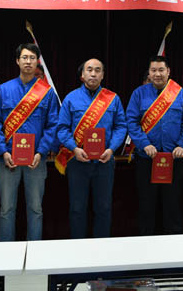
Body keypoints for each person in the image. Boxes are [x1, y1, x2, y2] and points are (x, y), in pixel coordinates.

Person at [0, 43, 59, 241]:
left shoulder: (47, 92)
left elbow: (53, 125)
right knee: (6, 209)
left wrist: (41, 152)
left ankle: (34, 250)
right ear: (17, 61)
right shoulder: (3, 90)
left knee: (36, 208)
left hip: (36, 159)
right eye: (25, 57)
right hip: (7, 158)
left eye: (32, 58)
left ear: (37, 62)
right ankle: (6, 252)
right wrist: (3, 151)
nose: (28, 61)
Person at [56, 58, 127, 238]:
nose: (93, 73)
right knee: (77, 208)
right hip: (77, 161)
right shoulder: (71, 98)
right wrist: (74, 148)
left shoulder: (113, 99)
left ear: (102, 75)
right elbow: (62, 129)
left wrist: (111, 149)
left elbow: (121, 127)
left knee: (103, 208)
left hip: (104, 161)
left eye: (97, 70)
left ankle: (101, 248)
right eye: (89, 70)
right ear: (82, 75)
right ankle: (78, 247)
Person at [126, 56, 183, 235]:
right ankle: (146, 241)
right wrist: (144, 144)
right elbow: (131, 122)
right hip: (146, 158)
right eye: (154, 70)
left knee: (173, 203)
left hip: (173, 158)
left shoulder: (179, 93)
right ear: (149, 73)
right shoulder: (139, 94)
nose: (157, 74)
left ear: (168, 71)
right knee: (146, 204)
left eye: (161, 70)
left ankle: (173, 241)